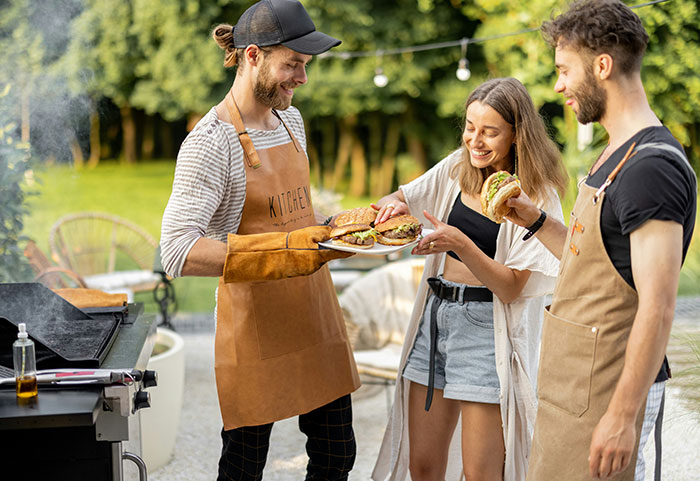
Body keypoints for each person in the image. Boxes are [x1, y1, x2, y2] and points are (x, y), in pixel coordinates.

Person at [159, 1, 360, 480]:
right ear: (253, 56)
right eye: (292, 64)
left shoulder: (292, 122)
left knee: (337, 456)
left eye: (305, 66)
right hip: (253, 325)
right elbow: (177, 250)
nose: (302, 79)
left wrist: (351, 227)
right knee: (244, 469)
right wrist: (287, 253)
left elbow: (297, 221)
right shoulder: (211, 141)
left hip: (313, 312)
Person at [504, 2, 697, 480]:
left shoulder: (651, 168)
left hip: (608, 400)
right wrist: (533, 220)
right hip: (571, 394)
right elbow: (590, 260)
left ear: (602, 66)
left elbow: (658, 305)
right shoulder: (613, 153)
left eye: (564, 70)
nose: (559, 86)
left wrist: (623, 417)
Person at [371, 77, 568, 481]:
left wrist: (459, 243)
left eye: (490, 132)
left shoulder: (537, 196)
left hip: (484, 330)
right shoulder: (456, 168)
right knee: (422, 467)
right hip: (434, 317)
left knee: (482, 473)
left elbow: (511, 287)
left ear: (517, 134)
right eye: (470, 127)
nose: (475, 141)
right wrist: (391, 207)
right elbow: (402, 197)